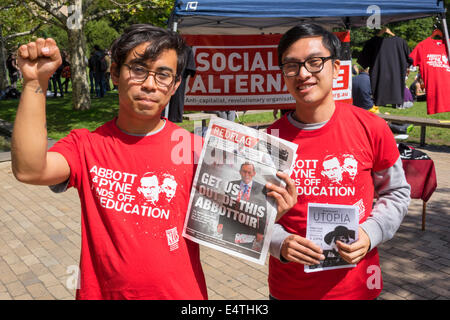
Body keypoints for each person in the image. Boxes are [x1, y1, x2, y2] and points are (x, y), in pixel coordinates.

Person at [12, 24, 297, 300]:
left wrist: (269, 212)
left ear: (175, 86)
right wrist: (35, 83)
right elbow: (29, 169)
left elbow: (236, 224)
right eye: (138, 70)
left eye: (163, 75)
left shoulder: (196, 151)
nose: (149, 84)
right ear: (114, 73)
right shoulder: (85, 145)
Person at [267, 23, 411, 300]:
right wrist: (278, 242)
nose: (303, 73)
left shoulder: (371, 127)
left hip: (357, 288)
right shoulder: (270, 139)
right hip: (289, 290)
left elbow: (397, 192)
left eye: (314, 62)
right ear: (283, 74)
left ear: (336, 68)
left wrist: (371, 234)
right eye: (292, 65)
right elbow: (253, 213)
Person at [217, 162, 267, 251]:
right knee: (226, 250)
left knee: (244, 252)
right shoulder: (231, 184)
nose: (246, 175)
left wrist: (260, 232)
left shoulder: (261, 188)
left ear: (254, 173)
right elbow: (225, 205)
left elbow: (263, 211)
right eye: (244, 172)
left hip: (248, 229)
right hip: (230, 226)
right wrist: (220, 223)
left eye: (249, 172)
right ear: (240, 172)